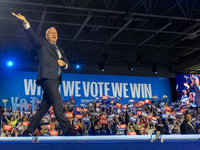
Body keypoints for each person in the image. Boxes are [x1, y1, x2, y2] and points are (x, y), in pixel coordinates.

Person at [12, 12, 72, 136]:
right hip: (47, 77)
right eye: (52, 32)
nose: (54, 34)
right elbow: (33, 37)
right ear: (46, 36)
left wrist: (63, 64)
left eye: (56, 33)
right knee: (57, 99)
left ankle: (28, 131)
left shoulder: (60, 50)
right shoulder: (42, 45)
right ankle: (67, 129)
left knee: (44, 108)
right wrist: (25, 22)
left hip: (56, 80)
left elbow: (67, 64)